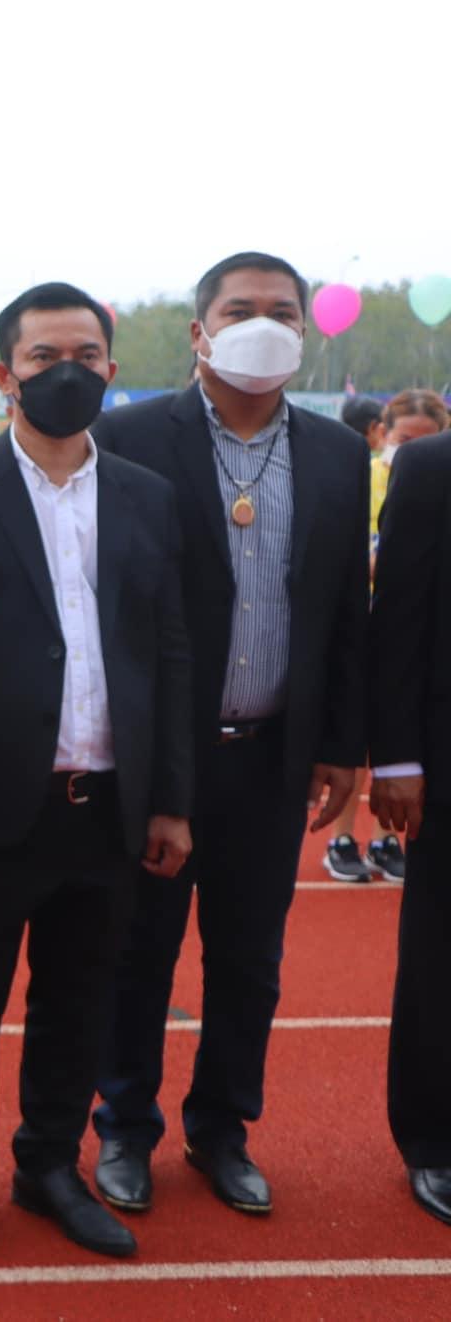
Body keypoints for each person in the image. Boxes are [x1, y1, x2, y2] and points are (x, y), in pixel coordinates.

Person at [0, 281, 193, 1261]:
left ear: (111, 367)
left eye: (85, 356)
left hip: (107, 803)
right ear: (4, 374)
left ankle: (49, 1163)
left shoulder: (147, 495)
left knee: (80, 999)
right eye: (42, 357)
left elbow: (170, 652)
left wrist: (170, 800)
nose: (67, 373)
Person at [90, 252, 369, 1219]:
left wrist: (341, 741)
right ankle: (124, 1128)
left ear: (306, 331)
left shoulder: (338, 454)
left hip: (273, 753)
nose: (263, 324)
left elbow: (345, 609)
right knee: (140, 953)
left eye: (282, 311)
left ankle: (222, 1129)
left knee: (250, 962)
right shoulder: (127, 438)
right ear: (199, 332)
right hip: (160, 758)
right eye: (240, 308)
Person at [364, 427, 451, 1228]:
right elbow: (396, 621)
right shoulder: (430, 467)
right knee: (440, 955)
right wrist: (395, 757)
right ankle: (434, 1137)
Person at [325, 395, 398, 883]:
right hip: (357, 619)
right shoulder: (359, 474)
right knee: (353, 736)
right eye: (403, 436)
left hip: (402, 624)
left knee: (396, 735)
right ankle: (342, 838)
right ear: (380, 431)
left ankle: (388, 838)